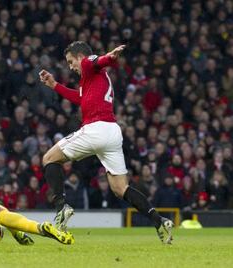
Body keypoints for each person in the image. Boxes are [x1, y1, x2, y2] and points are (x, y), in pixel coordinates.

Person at [39, 41, 173, 244]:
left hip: (96, 129)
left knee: (49, 158)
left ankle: (61, 207)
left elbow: (96, 61)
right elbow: (80, 98)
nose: (70, 66)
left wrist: (109, 57)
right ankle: (159, 221)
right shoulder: (93, 80)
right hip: (112, 132)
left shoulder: (87, 64)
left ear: (79, 56)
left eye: (70, 61)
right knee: (120, 188)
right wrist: (54, 85)